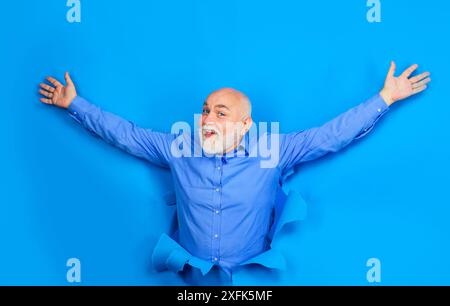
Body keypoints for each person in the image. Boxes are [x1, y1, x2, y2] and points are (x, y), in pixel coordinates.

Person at [38, 61, 431, 284]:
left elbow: (331, 136)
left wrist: (385, 98)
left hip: (254, 278)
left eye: (220, 113)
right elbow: (124, 134)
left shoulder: (273, 150)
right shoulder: (179, 148)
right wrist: (75, 104)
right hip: (190, 279)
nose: (207, 117)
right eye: (205, 110)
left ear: (245, 125)